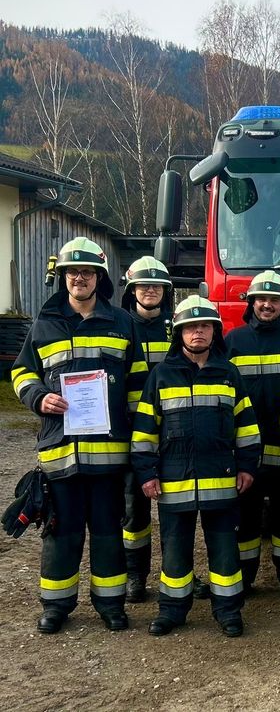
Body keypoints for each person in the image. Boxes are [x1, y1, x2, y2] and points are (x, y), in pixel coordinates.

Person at [11, 237, 147, 634]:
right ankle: (55, 606)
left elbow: (138, 384)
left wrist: (139, 437)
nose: (79, 278)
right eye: (73, 272)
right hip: (61, 452)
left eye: (87, 272)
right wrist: (39, 398)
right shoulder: (44, 323)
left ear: (99, 278)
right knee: (60, 532)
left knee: (107, 533)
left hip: (108, 453)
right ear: (63, 277)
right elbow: (21, 372)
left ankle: (110, 605)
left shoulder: (123, 323)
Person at [132, 296, 260, 637]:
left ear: (215, 332)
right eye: (191, 327)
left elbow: (246, 427)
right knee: (174, 551)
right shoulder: (161, 375)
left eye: (205, 326)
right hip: (174, 480)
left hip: (221, 479)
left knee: (224, 552)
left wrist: (247, 466)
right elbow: (144, 430)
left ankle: (228, 612)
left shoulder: (228, 373)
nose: (198, 332)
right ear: (180, 333)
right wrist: (146, 473)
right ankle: (172, 611)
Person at [224, 271, 280, 597]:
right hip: (246, 448)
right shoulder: (234, 340)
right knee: (245, 517)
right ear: (251, 303)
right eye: (261, 299)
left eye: (274, 300)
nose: (267, 305)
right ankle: (244, 578)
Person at [119, 255, 173, 603]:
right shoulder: (119, 326)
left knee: (177, 511)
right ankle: (136, 576)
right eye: (143, 284)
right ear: (132, 289)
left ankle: (179, 573)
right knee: (133, 510)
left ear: (165, 291)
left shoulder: (179, 325)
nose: (149, 290)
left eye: (156, 285)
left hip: (173, 434)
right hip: (132, 433)